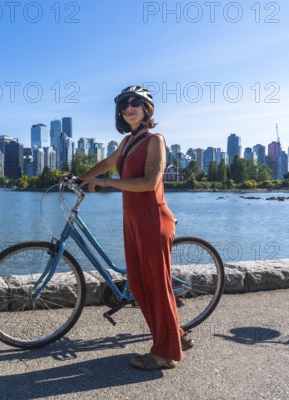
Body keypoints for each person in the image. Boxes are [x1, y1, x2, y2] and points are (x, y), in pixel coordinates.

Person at [80, 86, 193, 370]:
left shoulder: (155, 139)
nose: (129, 108)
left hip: (153, 220)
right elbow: (107, 163)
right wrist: (80, 178)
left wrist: (106, 183)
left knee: (157, 286)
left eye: (135, 103)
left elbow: (149, 183)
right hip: (132, 220)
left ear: (146, 109)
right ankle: (176, 335)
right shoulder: (128, 142)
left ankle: (165, 353)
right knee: (140, 287)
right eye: (124, 105)